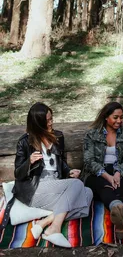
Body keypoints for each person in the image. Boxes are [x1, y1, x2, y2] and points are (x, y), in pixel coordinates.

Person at [13, 102, 93, 248]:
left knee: (88, 193)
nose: (51, 123)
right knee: (78, 186)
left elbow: (60, 162)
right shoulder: (25, 142)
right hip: (35, 189)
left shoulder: (57, 136)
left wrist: (68, 171)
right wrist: (28, 162)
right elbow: (18, 174)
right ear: (38, 124)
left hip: (56, 185)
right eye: (47, 121)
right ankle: (54, 228)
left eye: (51, 118)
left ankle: (44, 222)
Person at [83, 102, 123, 240]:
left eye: (121, 117)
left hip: (119, 170)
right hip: (97, 173)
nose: (119, 121)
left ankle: (117, 213)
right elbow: (89, 161)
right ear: (106, 117)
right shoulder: (92, 135)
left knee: (121, 183)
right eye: (115, 117)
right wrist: (106, 175)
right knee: (104, 184)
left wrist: (118, 172)